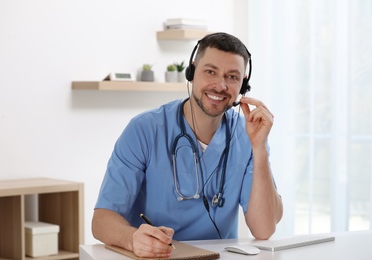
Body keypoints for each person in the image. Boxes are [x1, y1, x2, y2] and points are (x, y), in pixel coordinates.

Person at [92, 32, 283, 258]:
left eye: (232, 76)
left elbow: (264, 229)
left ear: (243, 85)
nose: (220, 85)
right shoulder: (144, 129)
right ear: (191, 72)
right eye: (210, 71)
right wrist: (132, 239)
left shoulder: (249, 135)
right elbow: (101, 220)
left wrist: (260, 149)